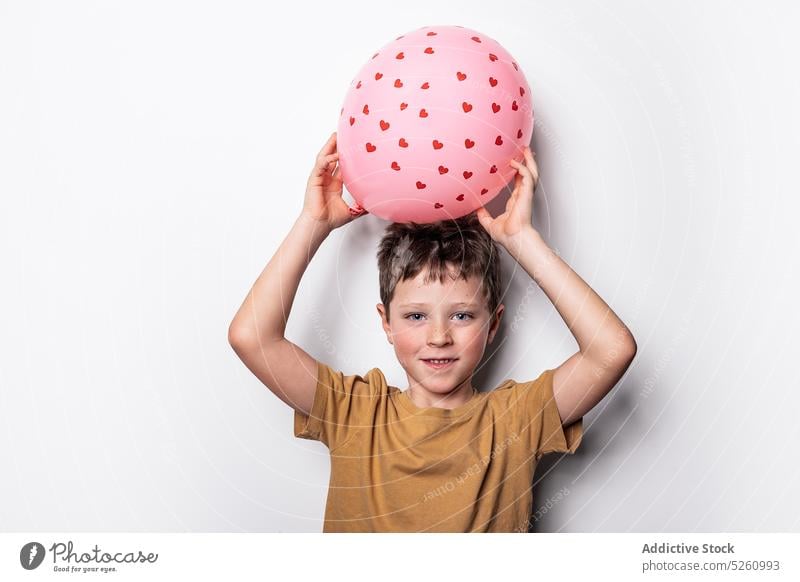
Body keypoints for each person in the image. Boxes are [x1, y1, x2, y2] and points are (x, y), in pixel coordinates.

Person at [228, 132, 637, 532]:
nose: (438, 337)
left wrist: (523, 240)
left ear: (493, 323)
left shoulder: (516, 420)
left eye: (461, 316)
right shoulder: (353, 413)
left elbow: (611, 349)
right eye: (416, 317)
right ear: (385, 323)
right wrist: (313, 222)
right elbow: (252, 337)